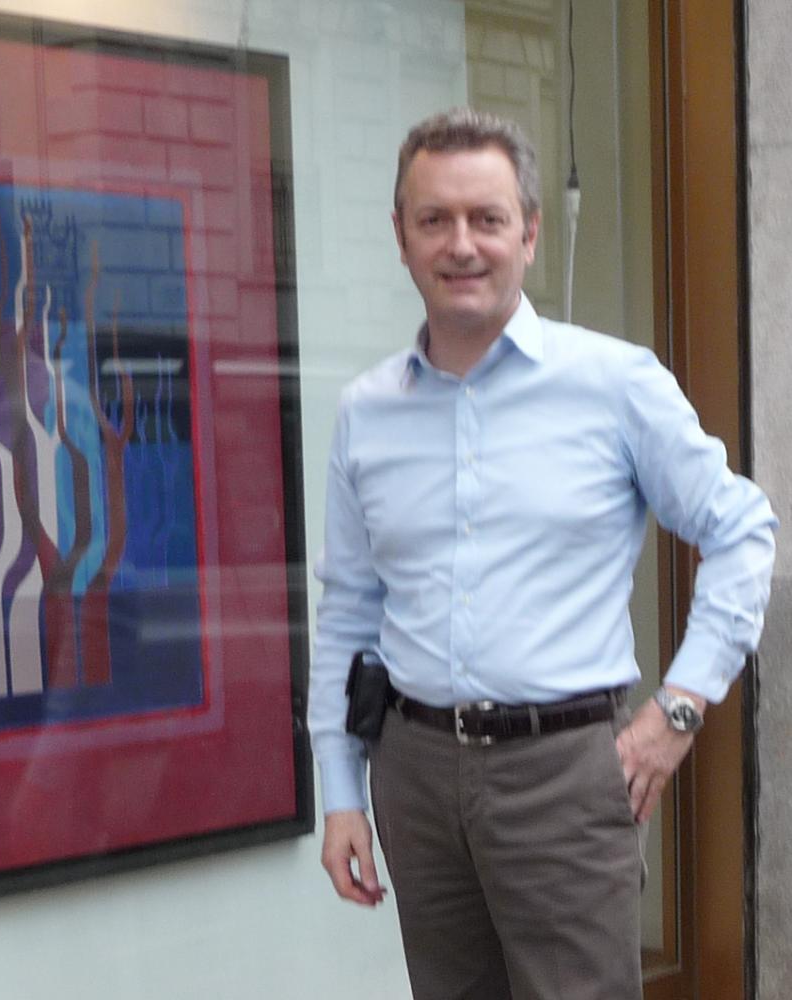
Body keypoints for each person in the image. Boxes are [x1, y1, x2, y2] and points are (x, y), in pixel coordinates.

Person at [307, 107, 777, 1000]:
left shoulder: (613, 383)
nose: (460, 244)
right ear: (400, 237)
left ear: (527, 232)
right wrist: (339, 791)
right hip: (413, 771)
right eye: (434, 219)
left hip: (563, 774)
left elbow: (741, 529)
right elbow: (349, 613)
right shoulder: (367, 412)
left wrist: (678, 711)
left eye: (485, 218)